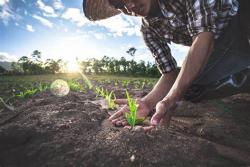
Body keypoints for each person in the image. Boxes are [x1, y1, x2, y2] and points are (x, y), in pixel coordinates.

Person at [83, 0, 250, 131]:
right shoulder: (149, 30)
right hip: (223, 46)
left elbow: (203, 37)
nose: (130, 6)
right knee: (189, 87)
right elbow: (170, 74)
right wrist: (148, 103)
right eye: (120, 5)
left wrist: (172, 96)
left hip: (239, 18)